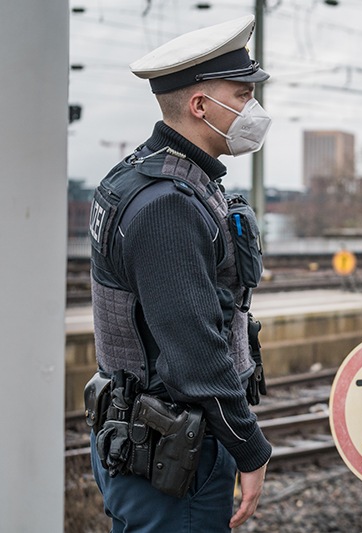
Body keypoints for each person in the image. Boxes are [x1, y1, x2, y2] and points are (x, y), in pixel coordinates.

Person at [85, 15, 272, 532]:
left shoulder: (139, 176)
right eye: (242, 94)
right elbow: (195, 356)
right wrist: (249, 449)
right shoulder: (168, 205)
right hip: (171, 455)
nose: (253, 110)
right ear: (199, 106)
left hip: (144, 440)